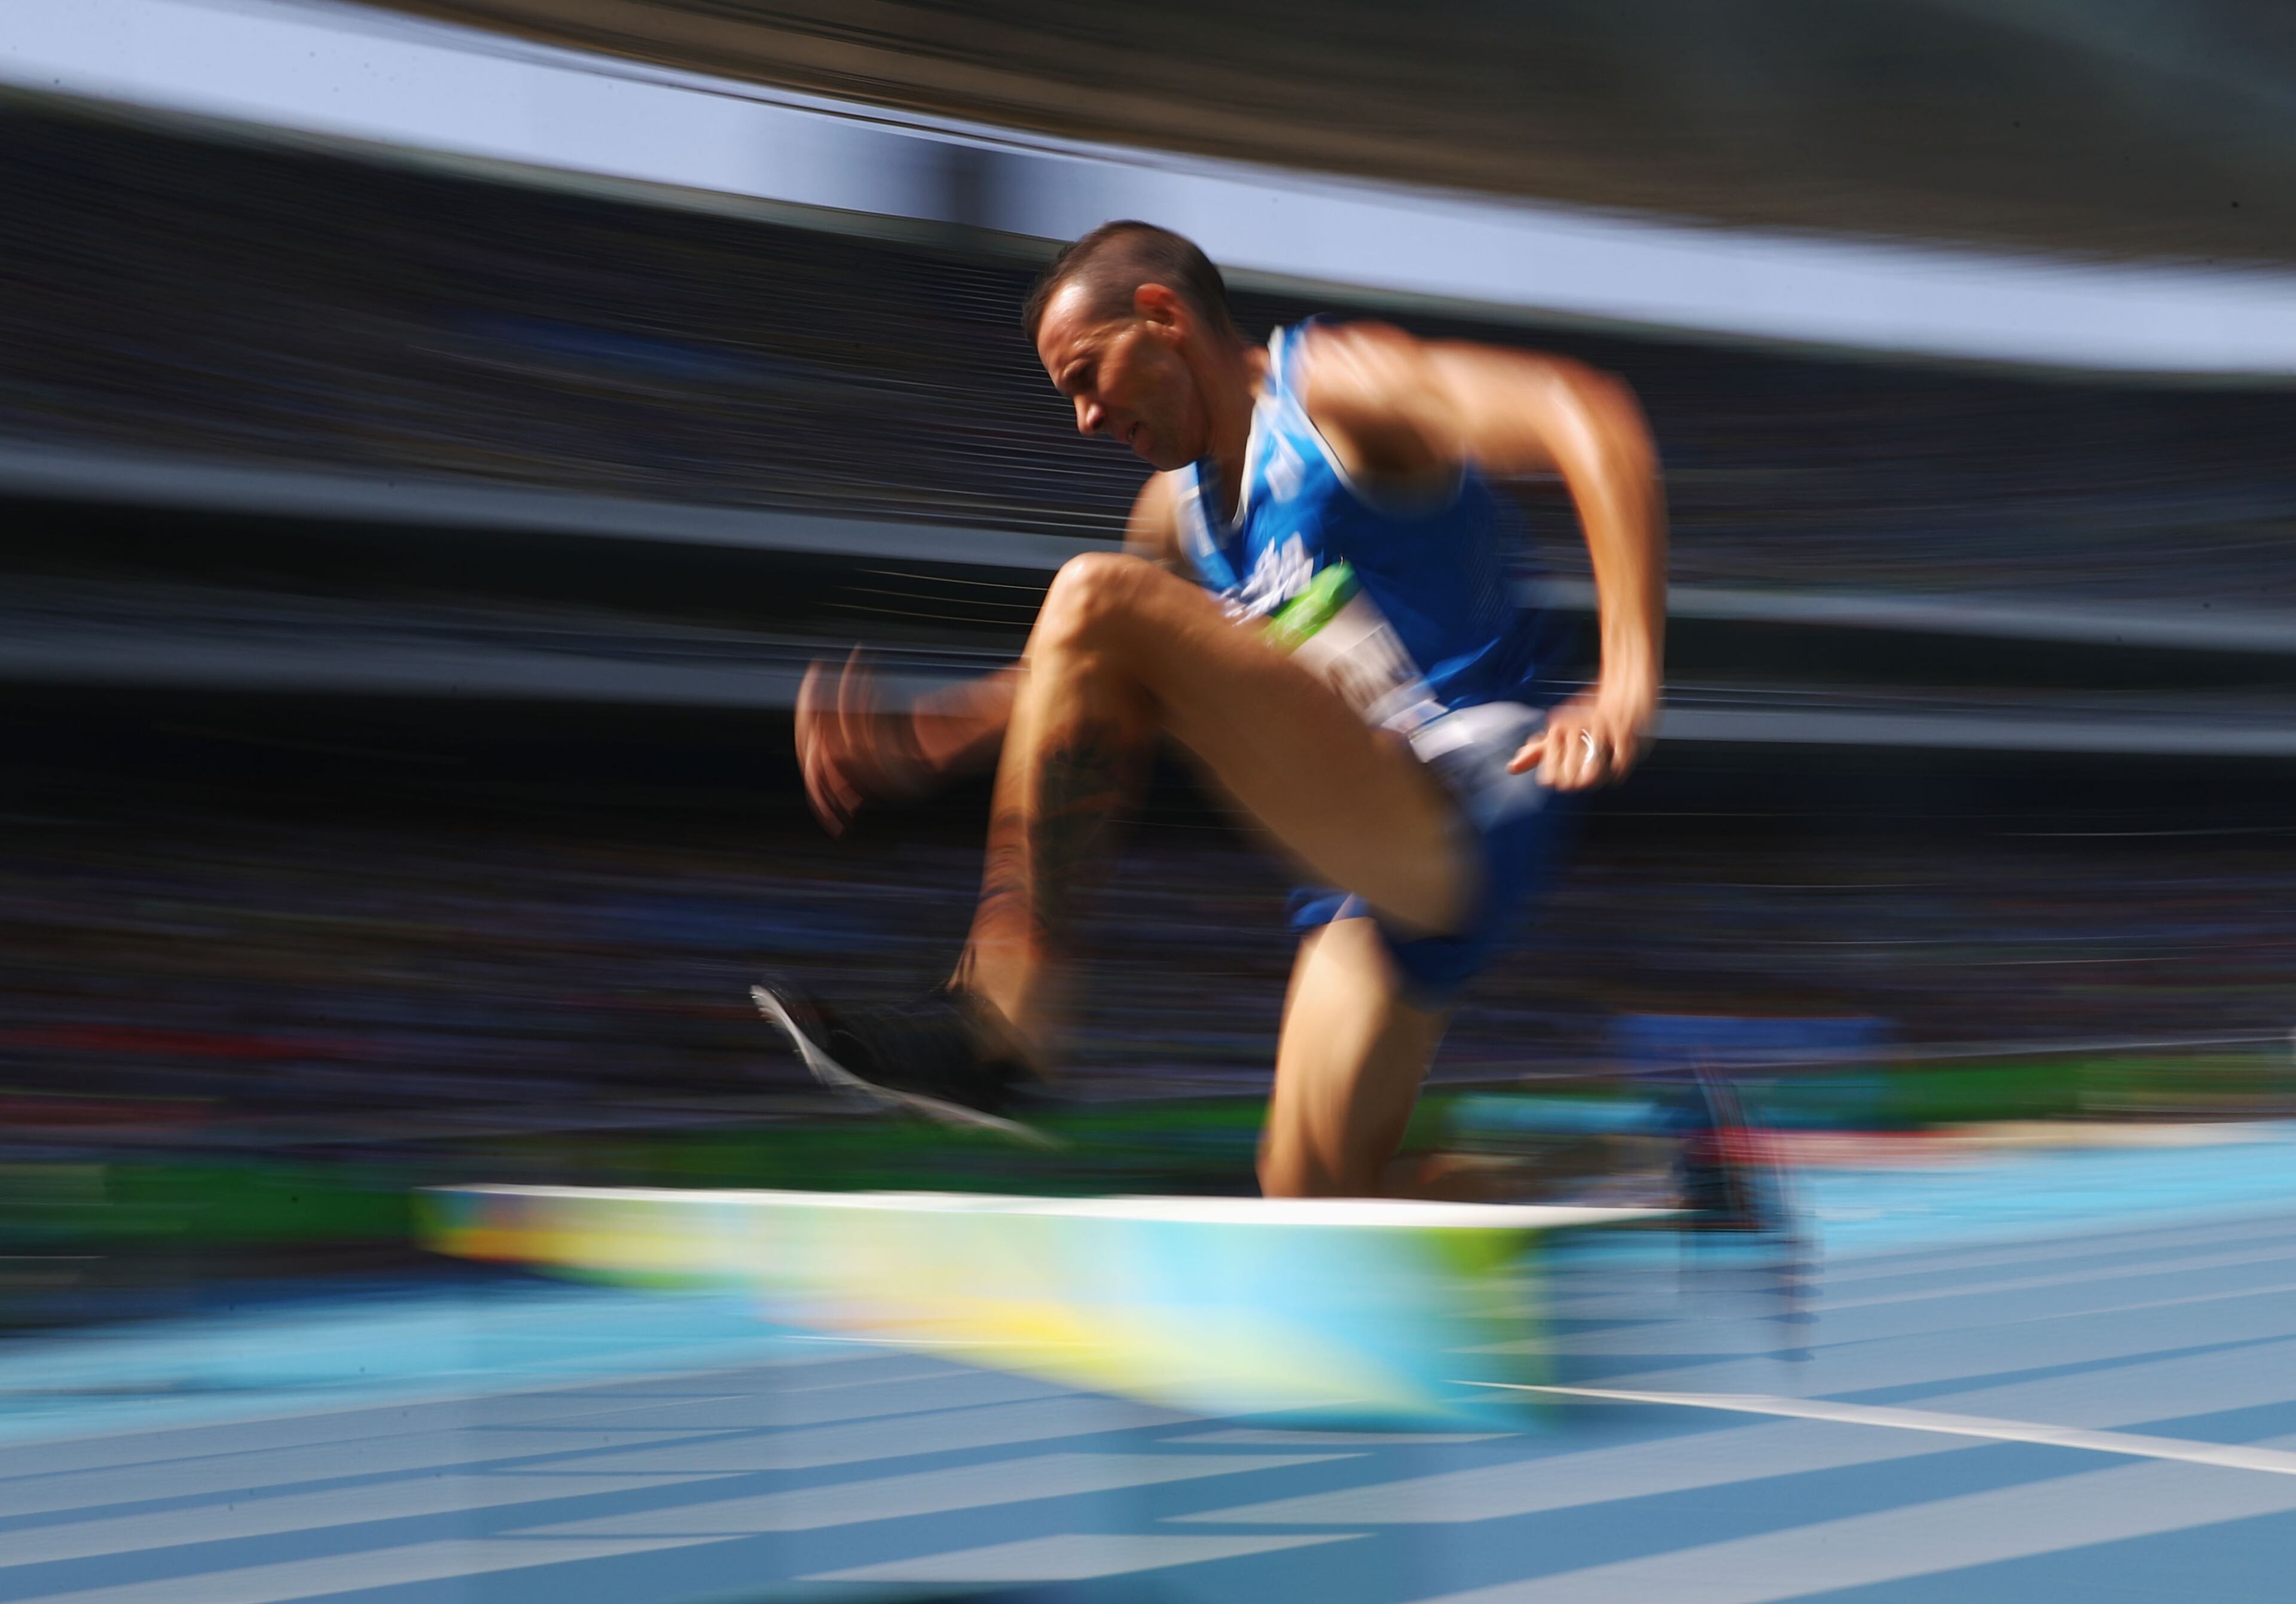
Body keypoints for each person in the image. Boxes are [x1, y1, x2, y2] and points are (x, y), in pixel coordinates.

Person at [758, 221, 1665, 1199]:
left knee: (1093, 596)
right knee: (1313, 1189)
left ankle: (1000, 1030)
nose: (1086, 420)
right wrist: (931, 737)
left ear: (1162, 317)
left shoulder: (1338, 389)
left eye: (1086, 377)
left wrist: (1627, 678)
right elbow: (1083, 679)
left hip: (1481, 792)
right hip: (1369, 850)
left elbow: (1588, 412)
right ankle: (1655, 1167)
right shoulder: (1176, 512)